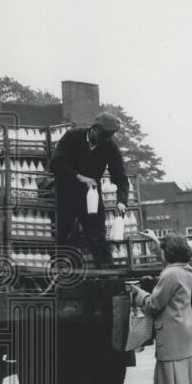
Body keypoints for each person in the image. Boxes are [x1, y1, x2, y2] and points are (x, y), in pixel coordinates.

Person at [128, 234, 192, 384]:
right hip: (183, 330)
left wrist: (137, 293)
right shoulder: (185, 270)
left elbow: (154, 305)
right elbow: (167, 263)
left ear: (169, 253)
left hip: (170, 333)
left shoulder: (170, 274)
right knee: (180, 383)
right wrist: (156, 242)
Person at [48, 112, 128, 268]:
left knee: (98, 234)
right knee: (65, 233)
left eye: (109, 137)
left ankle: (106, 274)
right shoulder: (72, 136)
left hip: (91, 195)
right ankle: (62, 271)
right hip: (67, 191)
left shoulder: (109, 147)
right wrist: (80, 177)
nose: (105, 140)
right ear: (94, 128)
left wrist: (121, 201)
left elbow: (120, 176)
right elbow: (56, 164)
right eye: (103, 136)